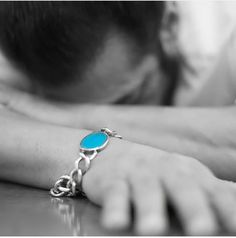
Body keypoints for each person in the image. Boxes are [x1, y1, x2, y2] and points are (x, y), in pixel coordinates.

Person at [0, 1, 236, 235]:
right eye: (62, 100)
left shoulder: (227, 32)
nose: (106, 127)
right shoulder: (18, 47)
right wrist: (104, 157)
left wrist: (58, 114)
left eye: (130, 99)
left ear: (169, 27)